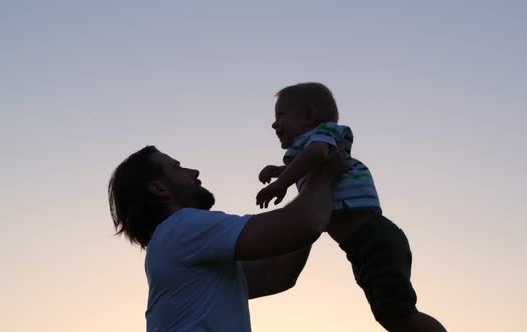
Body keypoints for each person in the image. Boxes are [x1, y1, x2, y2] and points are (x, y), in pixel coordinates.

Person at [256, 82, 447, 332]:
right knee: (390, 316)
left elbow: (316, 156)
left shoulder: (324, 134)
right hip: (363, 244)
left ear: (309, 115)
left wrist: (280, 183)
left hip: (372, 238)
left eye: (281, 115)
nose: (274, 123)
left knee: (400, 315)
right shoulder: (312, 146)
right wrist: (281, 171)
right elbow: (311, 162)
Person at [108, 145, 346, 331]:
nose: (194, 172)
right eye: (178, 167)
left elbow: (278, 274)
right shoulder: (182, 228)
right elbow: (303, 224)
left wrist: (311, 189)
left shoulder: (177, 245)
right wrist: (322, 175)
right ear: (159, 189)